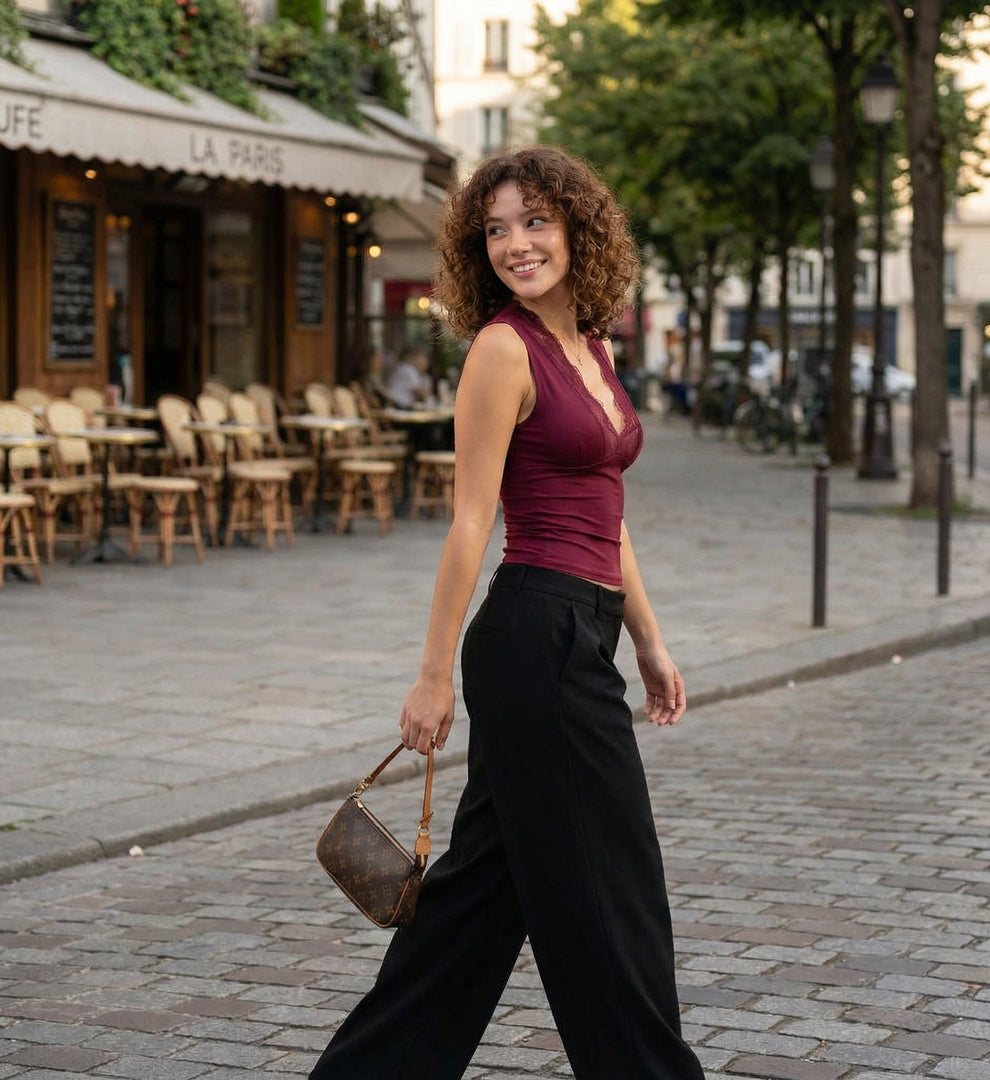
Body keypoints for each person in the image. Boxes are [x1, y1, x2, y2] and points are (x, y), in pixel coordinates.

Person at [309, 145, 704, 1080]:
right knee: (612, 887)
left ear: (579, 226)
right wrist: (432, 673)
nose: (516, 244)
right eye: (495, 230)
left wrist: (648, 640)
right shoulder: (500, 348)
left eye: (535, 222)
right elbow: (470, 521)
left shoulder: (593, 347)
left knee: (480, 900)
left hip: (582, 635)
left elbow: (610, 518)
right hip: (534, 637)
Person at [385, 344, 433, 408]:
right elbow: (421, 393)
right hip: (398, 406)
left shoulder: (404, 367)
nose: (425, 361)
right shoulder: (408, 369)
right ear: (414, 357)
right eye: (422, 357)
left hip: (395, 405)